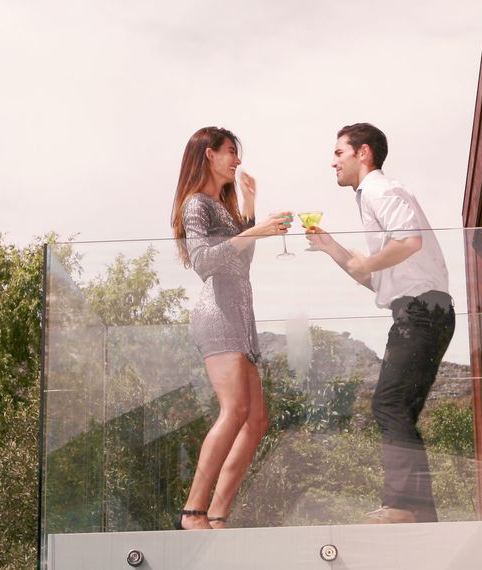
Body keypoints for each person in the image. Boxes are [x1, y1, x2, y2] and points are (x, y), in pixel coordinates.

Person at [306, 123, 455, 523]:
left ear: (363, 153)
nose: (332, 160)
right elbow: (375, 277)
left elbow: (409, 241)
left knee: (388, 404)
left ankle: (404, 507)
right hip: (423, 311)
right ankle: (420, 514)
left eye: (339, 152)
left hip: (421, 312)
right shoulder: (372, 197)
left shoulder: (380, 189)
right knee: (399, 411)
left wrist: (368, 260)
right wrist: (331, 247)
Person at [170, 126, 291, 530]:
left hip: (240, 317)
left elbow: (242, 258)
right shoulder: (195, 205)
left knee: (256, 420)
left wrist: (251, 207)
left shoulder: (221, 205)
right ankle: (193, 511)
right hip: (218, 315)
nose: (237, 161)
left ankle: (218, 513)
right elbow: (205, 261)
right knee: (234, 410)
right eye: (230, 153)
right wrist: (255, 228)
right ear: (208, 154)